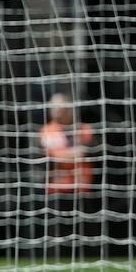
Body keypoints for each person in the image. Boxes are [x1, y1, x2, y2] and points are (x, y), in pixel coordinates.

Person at [39, 93, 95, 253]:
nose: (58, 110)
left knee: (85, 242)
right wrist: (71, 154)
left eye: (61, 106)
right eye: (54, 106)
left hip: (81, 190)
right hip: (55, 191)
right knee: (56, 243)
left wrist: (57, 155)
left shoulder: (84, 130)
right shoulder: (45, 131)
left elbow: (90, 152)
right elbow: (43, 160)